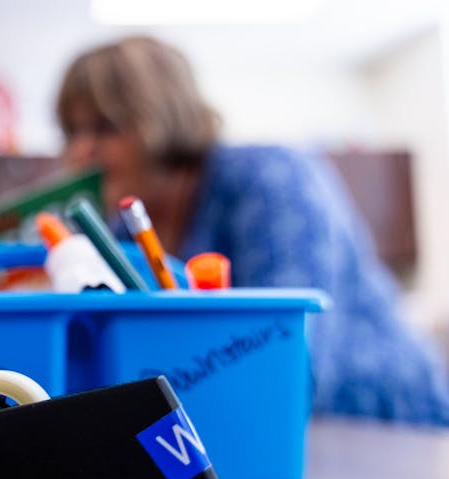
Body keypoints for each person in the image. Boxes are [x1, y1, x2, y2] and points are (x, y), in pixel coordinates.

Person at [56, 35, 449, 425]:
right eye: (72, 131)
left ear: (161, 117)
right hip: (269, 429)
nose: (81, 151)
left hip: (384, 421)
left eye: (105, 127)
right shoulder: (121, 230)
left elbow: (289, 358)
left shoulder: (268, 179)